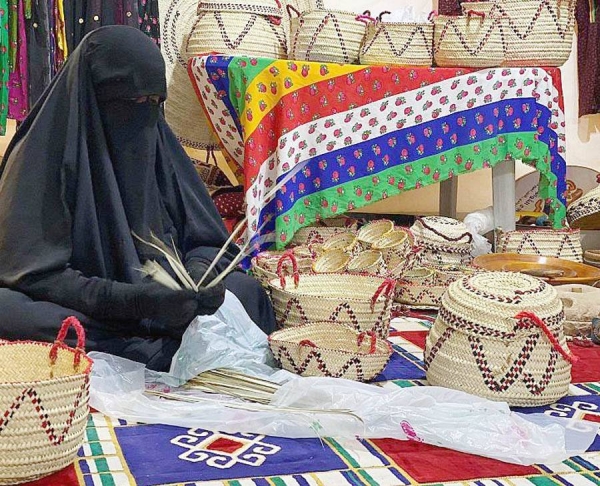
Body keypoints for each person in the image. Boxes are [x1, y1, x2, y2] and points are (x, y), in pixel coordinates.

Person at [0, 26, 277, 371]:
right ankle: (162, 346)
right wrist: (131, 302)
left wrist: (197, 276)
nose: (143, 114)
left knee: (245, 290)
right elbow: (32, 273)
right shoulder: (42, 156)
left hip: (169, 303)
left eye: (153, 103)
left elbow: (206, 240)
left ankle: (157, 344)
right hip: (92, 305)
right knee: (10, 310)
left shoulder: (158, 143)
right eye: (130, 102)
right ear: (91, 97)